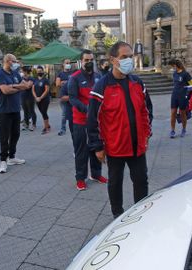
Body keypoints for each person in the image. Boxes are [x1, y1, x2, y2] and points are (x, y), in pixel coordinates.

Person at [88, 41, 153, 218]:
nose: (128, 61)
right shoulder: (101, 87)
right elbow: (92, 119)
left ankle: (140, 213)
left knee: (141, 180)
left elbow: (147, 110)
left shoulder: (137, 83)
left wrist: (147, 133)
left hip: (138, 145)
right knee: (115, 182)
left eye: (130, 57)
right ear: (112, 60)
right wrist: (98, 147)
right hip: (115, 146)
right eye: (124, 57)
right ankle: (117, 215)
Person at [69, 49, 107, 190]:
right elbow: (72, 99)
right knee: (81, 150)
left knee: (96, 146)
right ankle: (80, 178)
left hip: (96, 121)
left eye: (91, 60)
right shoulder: (75, 78)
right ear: (81, 61)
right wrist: (87, 110)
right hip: (81, 121)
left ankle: (96, 174)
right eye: (86, 60)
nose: (89, 62)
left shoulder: (98, 77)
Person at [0, 54, 33, 173]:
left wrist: (14, 86)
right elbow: (5, 90)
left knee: (16, 134)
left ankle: (12, 157)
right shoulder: (0, 74)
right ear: (7, 61)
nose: (16, 63)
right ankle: (3, 161)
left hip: (16, 109)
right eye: (14, 61)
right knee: (4, 137)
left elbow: (26, 86)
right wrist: (18, 86)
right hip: (4, 110)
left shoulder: (15, 73)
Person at [169, 59, 192, 138]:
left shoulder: (185, 74)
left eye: (172, 66)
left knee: (183, 113)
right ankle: (172, 130)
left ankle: (184, 129)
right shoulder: (174, 74)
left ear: (176, 65)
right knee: (173, 113)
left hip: (182, 96)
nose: (172, 68)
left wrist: (187, 93)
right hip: (174, 95)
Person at [56, 59, 73, 136]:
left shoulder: (73, 73)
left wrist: (64, 82)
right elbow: (57, 84)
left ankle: (73, 128)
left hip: (72, 96)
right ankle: (63, 129)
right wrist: (68, 82)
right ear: (63, 64)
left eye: (69, 63)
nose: (68, 64)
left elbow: (75, 82)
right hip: (63, 96)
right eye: (67, 63)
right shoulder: (60, 74)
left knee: (73, 113)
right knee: (64, 114)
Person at [33, 66, 51, 135]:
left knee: (44, 112)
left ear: (43, 71)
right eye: (38, 71)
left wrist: (40, 97)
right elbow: (33, 89)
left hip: (45, 99)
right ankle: (48, 125)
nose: (39, 72)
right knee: (42, 112)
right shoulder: (35, 79)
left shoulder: (45, 80)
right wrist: (36, 97)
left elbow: (47, 90)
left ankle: (46, 128)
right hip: (37, 99)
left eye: (40, 71)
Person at [20, 66, 36, 131]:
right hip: (23, 96)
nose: (21, 72)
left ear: (25, 71)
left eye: (22, 71)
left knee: (31, 111)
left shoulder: (31, 78)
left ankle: (33, 125)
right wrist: (23, 85)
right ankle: (26, 124)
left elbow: (28, 86)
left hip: (30, 97)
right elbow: (19, 86)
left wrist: (23, 83)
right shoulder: (21, 78)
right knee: (25, 111)